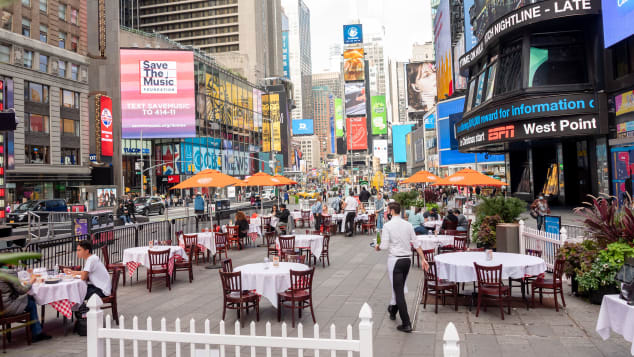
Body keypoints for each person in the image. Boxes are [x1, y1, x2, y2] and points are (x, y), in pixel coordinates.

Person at [375, 202, 428, 333]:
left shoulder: (387, 226)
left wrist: (377, 247)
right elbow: (416, 243)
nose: (387, 212)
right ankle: (392, 310)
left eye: (388, 210)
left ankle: (406, 323)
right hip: (407, 260)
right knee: (399, 287)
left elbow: (385, 245)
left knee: (398, 291)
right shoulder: (408, 225)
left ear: (392, 211)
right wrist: (423, 258)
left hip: (396, 260)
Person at [0, 266, 52, 342]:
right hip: (7, 308)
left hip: (2, 305)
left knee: (28, 300)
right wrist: (31, 281)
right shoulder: (9, 273)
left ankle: (35, 327)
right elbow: (22, 290)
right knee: (30, 300)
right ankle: (37, 332)